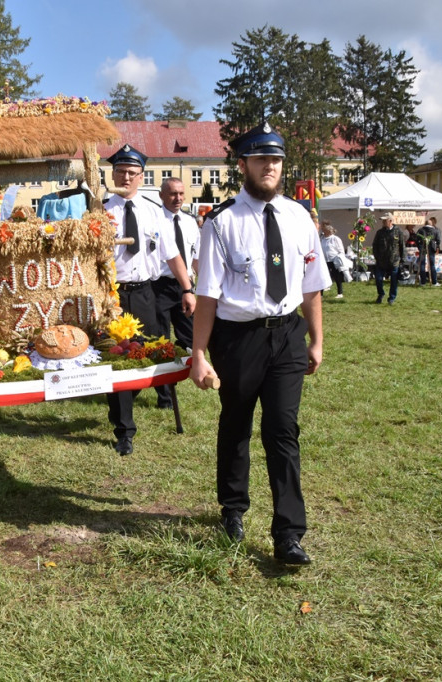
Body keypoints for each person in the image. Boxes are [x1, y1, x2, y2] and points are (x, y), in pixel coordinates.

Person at [189, 122, 329, 565]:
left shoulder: (299, 218)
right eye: (261, 159)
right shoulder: (221, 223)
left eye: (277, 160)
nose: (270, 167)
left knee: (283, 430)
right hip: (239, 338)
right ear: (243, 164)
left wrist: (317, 340)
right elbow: (207, 295)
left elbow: (312, 286)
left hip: (288, 334)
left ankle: (289, 535)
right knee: (236, 424)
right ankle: (233, 508)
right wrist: (198, 354)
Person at [103, 144, 195, 455]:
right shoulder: (100, 212)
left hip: (145, 293)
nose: (126, 177)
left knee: (151, 349)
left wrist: (187, 288)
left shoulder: (154, 212)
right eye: (120, 172)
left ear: (142, 177)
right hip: (111, 296)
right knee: (116, 360)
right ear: (112, 174)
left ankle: (164, 397)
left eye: (132, 173)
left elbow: (172, 254)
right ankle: (124, 430)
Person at [151, 177, 199, 408]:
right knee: (161, 341)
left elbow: (195, 256)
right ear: (161, 195)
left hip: (184, 286)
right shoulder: (152, 221)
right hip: (158, 286)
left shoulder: (190, 222)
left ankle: (185, 370)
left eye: (181, 193)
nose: (177, 198)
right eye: (172, 194)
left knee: (191, 337)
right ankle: (165, 396)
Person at [372, 213, 404, 304]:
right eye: (382, 220)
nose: (383, 222)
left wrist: (402, 260)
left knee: (394, 281)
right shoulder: (380, 232)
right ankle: (381, 294)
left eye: (385, 220)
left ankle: (391, 298)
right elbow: (375, 245)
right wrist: (377, 256)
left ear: (390, 221)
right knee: (378, 279)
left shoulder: (398, 231)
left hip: (394, 261)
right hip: (381, 261)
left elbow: (402, 246)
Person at [320, 222, 346, 298]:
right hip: (325, 260)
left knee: (336, 276)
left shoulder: (335, 239)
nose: (323, 231)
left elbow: (341, 250)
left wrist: (339, 258)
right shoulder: (322, 239)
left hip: (334, 260)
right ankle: (321, 294)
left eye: (324, 230)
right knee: (323, 276)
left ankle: (340, 293)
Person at [417, 216, 442, 286]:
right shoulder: (435, 230)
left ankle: (423, 282)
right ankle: (434, 282)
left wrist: (419, 246)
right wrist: (436, 246)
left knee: (422, 264)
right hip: (431, 248)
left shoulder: (421, 230)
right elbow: (439, 240)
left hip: (422, 248)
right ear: (431, 224)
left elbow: (416, 238)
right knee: (432, 265)